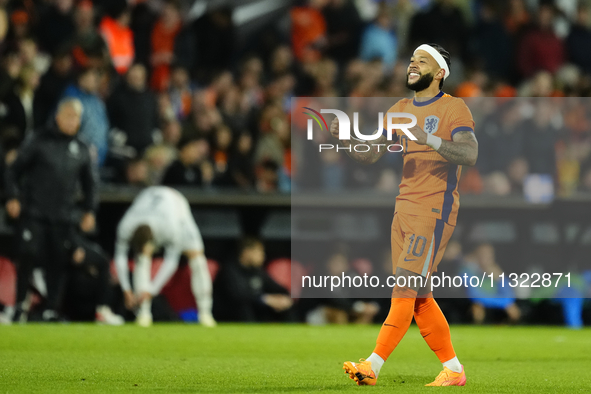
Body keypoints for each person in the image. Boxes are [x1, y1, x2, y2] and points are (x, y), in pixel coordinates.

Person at [337, 44, 478, 386]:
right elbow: (372, 154)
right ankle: (454, 371)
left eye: (422, 61)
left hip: (433, 211)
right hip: (403, 208)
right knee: (420, 297)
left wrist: (428, 138)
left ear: (440, 72)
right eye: (411, 60)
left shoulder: (454, 109)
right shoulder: (399, 108)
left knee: (404, 288)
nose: (412, 65)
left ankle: (372, 365)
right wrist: (348, 143)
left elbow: (469, 153)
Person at [5, 98, 98, 322]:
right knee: (27, 256)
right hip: (34, 212)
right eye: (68, 115)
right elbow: (13, 171)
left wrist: (89, 210)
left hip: (63, 216)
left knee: (58, 262)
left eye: (75, 117)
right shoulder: (38, 140)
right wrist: (12, 197)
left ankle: (51, 309)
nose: (71, 121)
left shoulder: (82, 148)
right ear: (57, 116)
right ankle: (19, 305)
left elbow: (90, 185)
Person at [114, 186, 215, 327]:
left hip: (176, 205)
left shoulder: (170, 228)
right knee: (141, 261)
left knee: (197, 259)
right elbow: (120, 258)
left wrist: (152, 290)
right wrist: (126, 289)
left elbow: (171, 261)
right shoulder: (125, 227)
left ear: (153, 241)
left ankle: (205, 313)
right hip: (149, 197)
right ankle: (143, 314)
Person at [213, 237, 293, 322]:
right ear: (247, 252)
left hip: (256, 308)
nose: (263, 255)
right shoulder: (229, 270)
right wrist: (266, 299)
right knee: (244, 308)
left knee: (286, 306)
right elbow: (238, 295)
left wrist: (283, 298)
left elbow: (277, 288)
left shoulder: (257, 272)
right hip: (228, 312)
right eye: (259, 252)